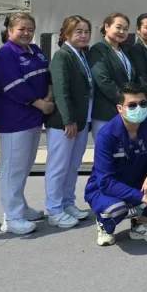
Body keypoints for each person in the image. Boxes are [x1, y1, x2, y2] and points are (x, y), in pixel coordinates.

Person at [84, 82, 147, 246]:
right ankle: (104, 224)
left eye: (143, 104)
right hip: (109, 188)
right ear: (120, 108)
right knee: (115, 209)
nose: (139, 108)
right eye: (132, 105)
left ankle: (141, 224)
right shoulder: (106, 135)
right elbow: (106, 182)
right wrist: (144, 198)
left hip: (140, 179)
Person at [0, 12, 54, 235]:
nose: (26, 33)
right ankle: (12, 217)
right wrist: (41, 104)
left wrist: (48, 95)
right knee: (12, 170)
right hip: (14, 120)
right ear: (9, 31)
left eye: (30, 29)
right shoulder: (4, 55)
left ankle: (21, 207)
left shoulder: (35, 51)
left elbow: (47, 75)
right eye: (21, 29)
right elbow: (14, 86)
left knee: (24, 166)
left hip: (34, 119)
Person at [44, 15, 94, 229]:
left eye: (86, 31)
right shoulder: (62, 56)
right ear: (66, 34)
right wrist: (68, 120)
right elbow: (61, 91)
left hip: (82, 121)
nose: (83, 36)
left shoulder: (81, 55)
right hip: (65, 123)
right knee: (58, 166)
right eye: (78, 32)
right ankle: (54, 209)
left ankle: (67, 202)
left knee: (73, 165)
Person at [89, 13, 135, 138]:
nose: (122, 31)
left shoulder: (124, 50)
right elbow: (104, 82)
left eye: (125, 29)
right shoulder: (98, 50)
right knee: (107, 153)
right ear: (107, 27)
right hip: (106, 113)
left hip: (124, 112)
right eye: (118, 27)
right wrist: (126, 101)